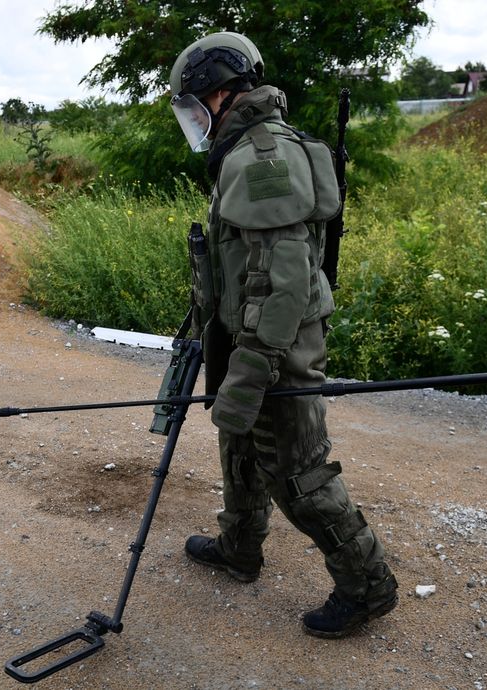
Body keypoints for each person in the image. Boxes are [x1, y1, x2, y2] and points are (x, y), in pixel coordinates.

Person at [169, 31, 398, 638]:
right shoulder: (245, 148)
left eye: (194, 104)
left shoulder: (262, 157)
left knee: (298, 471)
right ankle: (240, 547)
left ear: (219, 93)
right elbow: (242, 264)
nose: (194, 119)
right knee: (239, 444)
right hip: (245, 333)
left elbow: (285, 280)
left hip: (276, 341)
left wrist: (252, 367)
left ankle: (367, 585)